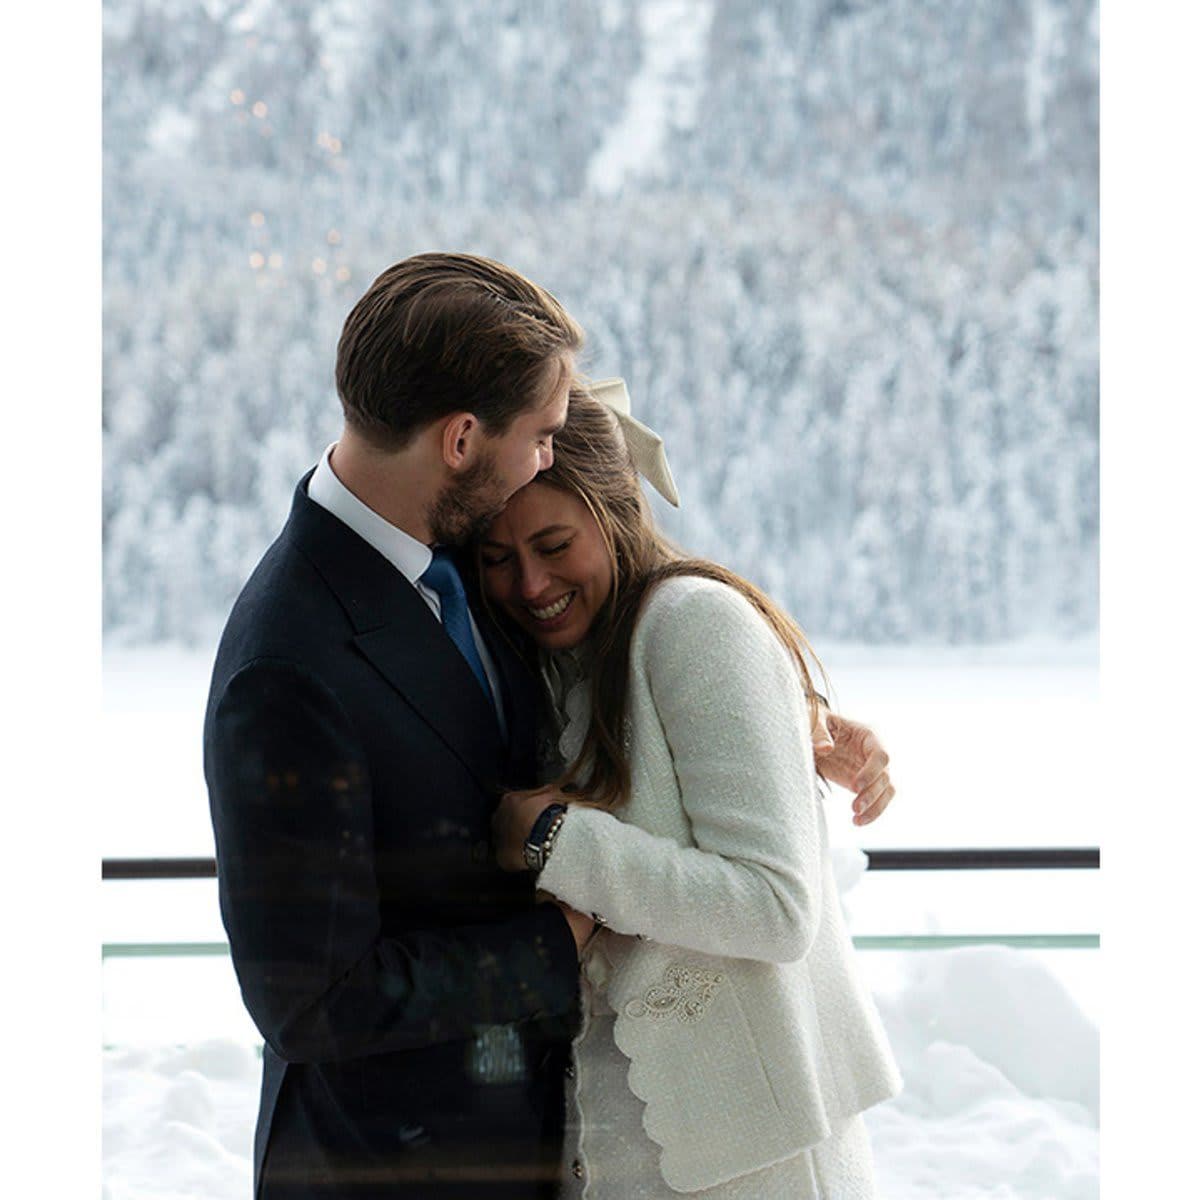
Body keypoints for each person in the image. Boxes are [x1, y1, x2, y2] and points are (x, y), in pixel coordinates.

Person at [205, 252, 895, 1198]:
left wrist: (785, 715)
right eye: (540, 434)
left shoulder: (446, 562)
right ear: (459, 440)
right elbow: (309, 1000)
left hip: (576, 1147)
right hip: (396, 1168)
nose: (550, 452)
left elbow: (606, 666)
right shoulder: (292, 659)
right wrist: (551, 941)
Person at [486, 382, 903, 1198]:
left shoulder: (694, 623)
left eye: (554, 543)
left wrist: (553, 841)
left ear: (613, 513)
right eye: (499, 559)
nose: (530, 584)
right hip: (624, 1152)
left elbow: (775, 907)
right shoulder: (551, 656)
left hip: (757, 1159)